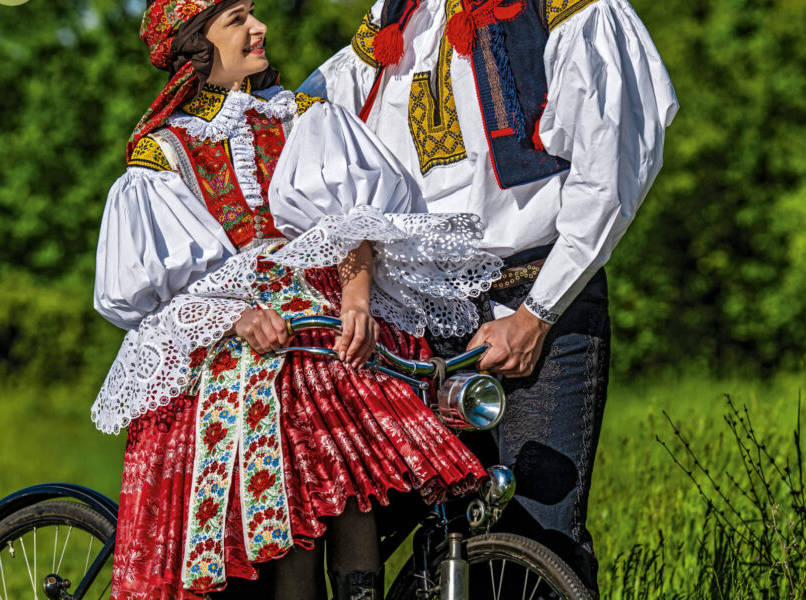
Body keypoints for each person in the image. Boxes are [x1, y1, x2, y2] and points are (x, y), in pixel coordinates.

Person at [91, 1, 505, 598]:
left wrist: (357, 298)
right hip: (232, 338)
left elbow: (349, 218)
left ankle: (360, 590)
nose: (258, 28)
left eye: (253, 13)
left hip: (317, 312)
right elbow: (153, 285)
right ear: (195, 44)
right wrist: (235, 313)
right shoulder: (163, 152)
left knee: (343, 446)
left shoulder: (303, 117)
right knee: (287, 452)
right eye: (236, 19)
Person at [300, 0, 678, 596]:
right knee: (428, 534)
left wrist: (537, 314)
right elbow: (318, 111)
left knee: (538, 529)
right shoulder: (397, 15)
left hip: (534, 295)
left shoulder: (567, 9)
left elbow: (612, 165)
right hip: (420, 312)